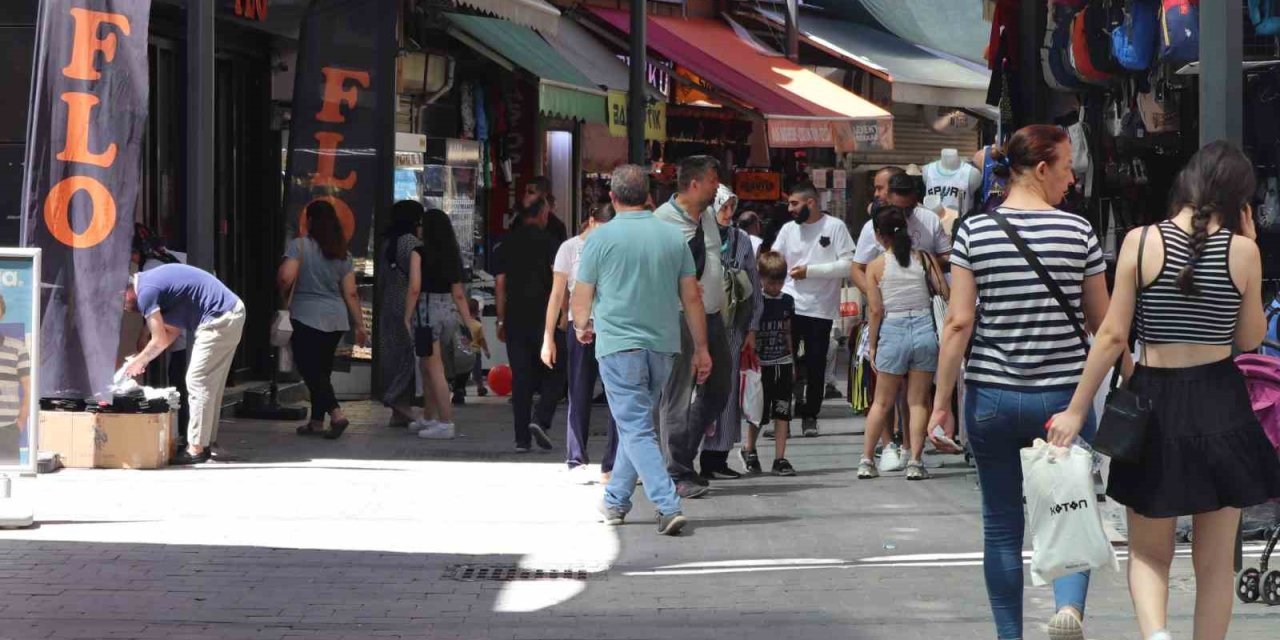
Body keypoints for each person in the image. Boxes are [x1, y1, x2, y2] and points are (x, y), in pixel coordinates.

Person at [1048, 141, 1280, 640]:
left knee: (1150, 554)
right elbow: (1250, 339)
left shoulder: (1139, 240)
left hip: (1155, 403)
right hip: (1221, 402)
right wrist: (1248, 242)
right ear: (1239, 197)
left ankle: (1157, 637)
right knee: (1216, 564)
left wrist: (1075, 409)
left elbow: (1112, 335)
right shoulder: (1243, 251)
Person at [928, 125, 1111, 640]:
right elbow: (1102, 326)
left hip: (991, 397)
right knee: (1069, 507)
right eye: (1068, 166)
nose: (1073, 179)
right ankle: (1069, 609)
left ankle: (1011, 635)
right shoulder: (1078, 232)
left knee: (1002, 526)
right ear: (1042, 169)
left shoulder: (974, 232)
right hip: (1064, 398)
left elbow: (959, 323)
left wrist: (942, 401)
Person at [571, 164, 711, 536]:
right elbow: (692, 298)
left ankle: (667, 505)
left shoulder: (599, 239)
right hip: (663, 346)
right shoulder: (672, 238)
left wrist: (582, 325)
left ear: (613, 198)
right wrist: (702, 348)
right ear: (649, 197)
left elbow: (581, 296)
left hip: (618, 346)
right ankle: (616, 500)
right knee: (635, 426)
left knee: (634, 427)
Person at [853, 172, 952, 461]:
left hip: (893, 325)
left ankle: (870, 458)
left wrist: (873, 337)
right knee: (916, 400)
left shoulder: (881, 262)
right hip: (918, 324)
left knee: (883, 399)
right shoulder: (920, 254)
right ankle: (909, 457)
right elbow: (944, 290)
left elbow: (875, 307)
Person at [653, 155, 732, 498]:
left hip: (712, 315)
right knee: (679, 395)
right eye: (714, 180)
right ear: (695, 183)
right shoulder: (661, 222)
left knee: (719, 390)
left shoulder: (709, 219)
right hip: (678, 317)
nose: (717, 186)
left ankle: (684, 456)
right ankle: (675, 471)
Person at [125, 264, 245, 465]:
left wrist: (139, 360)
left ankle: (196, 448)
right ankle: (207, 443)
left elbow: (157, 338)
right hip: (229, 313)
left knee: (197, 380)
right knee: (209, 383)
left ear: (126, 290)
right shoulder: (152, 286)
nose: (124, 307)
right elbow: (168, 335)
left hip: (219, 319)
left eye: (121, 301)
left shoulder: (145, 293)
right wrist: (142, 359)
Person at [770, 182, 857, 437]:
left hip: (820, 308)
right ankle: (781, 417)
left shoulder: (835, 227)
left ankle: (810, 414)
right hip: (789, 302)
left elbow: (848, 265)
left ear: (811, 203)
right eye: (789, 204)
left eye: (794, 203)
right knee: (784, 362)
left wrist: (811, 271)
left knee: (817, 363)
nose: (790, 209)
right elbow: (776, 259)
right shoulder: (787, 230)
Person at [277, 201, 368, 439]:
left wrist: (282, 291)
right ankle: (316, 422)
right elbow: (350, 292)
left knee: (310, 370)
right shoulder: (342, 253)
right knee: (323, 371)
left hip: (305, 316)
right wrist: (360, 324)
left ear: (310, 221)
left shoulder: (300, 246)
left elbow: (286, 278)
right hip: (335, 319)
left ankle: (336, 414)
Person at [542, 202, 619, 482]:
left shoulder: (615, 246)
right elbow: (556, 294)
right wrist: (548, 336)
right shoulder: (569, 248)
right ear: (590, 221)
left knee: (616, 396)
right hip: (579, 326)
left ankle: (612, 463)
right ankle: (576, 458)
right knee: (579, 392)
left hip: (611, 327)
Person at [701, 185, 762, 479]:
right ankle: (688, 455)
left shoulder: (742, 240)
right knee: (695, 391)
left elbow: (754, 286)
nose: (727, 213)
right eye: (722, 207)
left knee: (726, 391)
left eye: (730, 207)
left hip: (733, 327)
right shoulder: (696, 236)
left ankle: (717, 458)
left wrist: (752, 327)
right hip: (699, 325)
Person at [495, 195, 563, 452]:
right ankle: (541, 418)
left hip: (515, 317)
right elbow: (560, 283)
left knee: (521, 378)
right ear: (543, 213)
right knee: (556, 372)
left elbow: (500, 284)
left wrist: (500, 319)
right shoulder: (551, 243)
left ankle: (521, 439)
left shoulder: (507, 243)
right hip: (545, 318)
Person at [131, 225, 190, 451]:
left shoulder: (151, 268)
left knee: (180, 384)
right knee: (186, 384)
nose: (132, 260)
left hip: (185, 335)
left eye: (133, 254)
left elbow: (152, 318)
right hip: (189, 330)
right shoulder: (176, 256)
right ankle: (186, 434)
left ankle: (184, 436)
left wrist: (141, 352)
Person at [740, 251, 796, 476]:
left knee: (782, 411)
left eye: (780, 282)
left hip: (782, 362)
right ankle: (749, 449)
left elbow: (789, 331)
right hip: (761, 366)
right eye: (771, 282)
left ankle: (780, 458)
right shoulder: (756, 303)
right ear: (761, 279)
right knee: (758, 413)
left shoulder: (787, 301)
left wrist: (792, 360)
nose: (776, 287)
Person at [416, 208, 477, 407]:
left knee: (432, 367)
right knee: (432, 365)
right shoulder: (452, 255)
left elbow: (414, 289)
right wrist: (469, 323)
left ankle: (442, 420)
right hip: (448, 313)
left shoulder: (420, 253)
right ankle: (431, 416)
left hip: (427, 313)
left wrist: (406, 315)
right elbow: (458, 294)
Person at [378, 201, 424, 428]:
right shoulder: (412, 244)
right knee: (408, 355)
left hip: (389, 302)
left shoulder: (388, 243)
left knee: (394, 354)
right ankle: (397, 402)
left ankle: (398, 412)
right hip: (408, 304)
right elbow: (417, 281)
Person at [0, 294, 30, 467]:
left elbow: (28, 389)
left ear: (2, 313)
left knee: (8, 484)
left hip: (7, 430)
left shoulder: (17, 347)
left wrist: (20, 422)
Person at [525, 176, 569, 246]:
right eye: (525, 191)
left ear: (543, 194)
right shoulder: (519, 220)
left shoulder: (558, 227)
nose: (526, 195)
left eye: (531, 192)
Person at [466, 297, 489, 397]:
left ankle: (460, 388)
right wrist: (486, 351)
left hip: (464, 351)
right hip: (476, 352)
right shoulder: (478, 325)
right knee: (477, 372)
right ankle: (480, 387)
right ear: (477, 311)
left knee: (464, 372)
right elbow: (482, 340)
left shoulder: (463, 323)